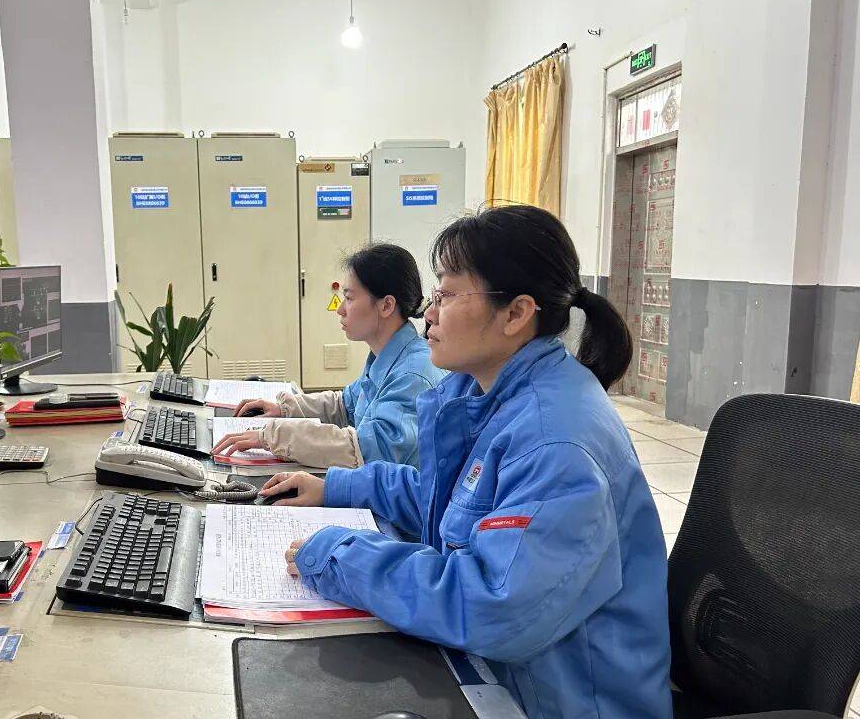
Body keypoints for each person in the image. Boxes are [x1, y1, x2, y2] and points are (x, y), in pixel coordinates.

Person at [259, 206, 673, 718]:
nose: (428, 314)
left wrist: (340, 555)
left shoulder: (555, 443)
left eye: (448, 296)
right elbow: (450, 500)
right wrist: (337, 487)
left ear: (516, 314)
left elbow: (491, 604)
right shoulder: (487, 392)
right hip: (504, 675)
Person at [212, 243, 445, 468]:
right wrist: (285, 409)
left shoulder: (413, 374)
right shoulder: (387, 355)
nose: (340, 309)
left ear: (386, 306)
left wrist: (275, 436)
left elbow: (370, 449)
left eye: (349, 298)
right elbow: (345, 405)